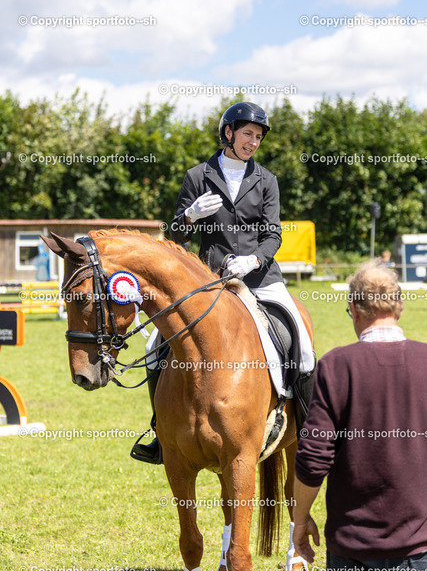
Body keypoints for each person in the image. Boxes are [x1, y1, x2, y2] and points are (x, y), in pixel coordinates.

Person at [131, 101, 315, 464]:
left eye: (258, 137)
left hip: (260, 277)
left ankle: (308, 430)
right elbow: (177, 236)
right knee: (155, 347)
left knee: (304, 347)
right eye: (248, 134)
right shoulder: (197, 176)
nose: (253, 142)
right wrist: (189, 214)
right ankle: (160, 433)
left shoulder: (266, 180)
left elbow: (273, 234)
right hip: (209, 280)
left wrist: (254, 259)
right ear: (228, 133)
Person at [292, 260, 427, 571]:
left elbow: (313, 459)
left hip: (352, 547)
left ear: (353, 308)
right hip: (419, 547)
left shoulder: (335, 365)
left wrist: (300, 518)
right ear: (399, 307)